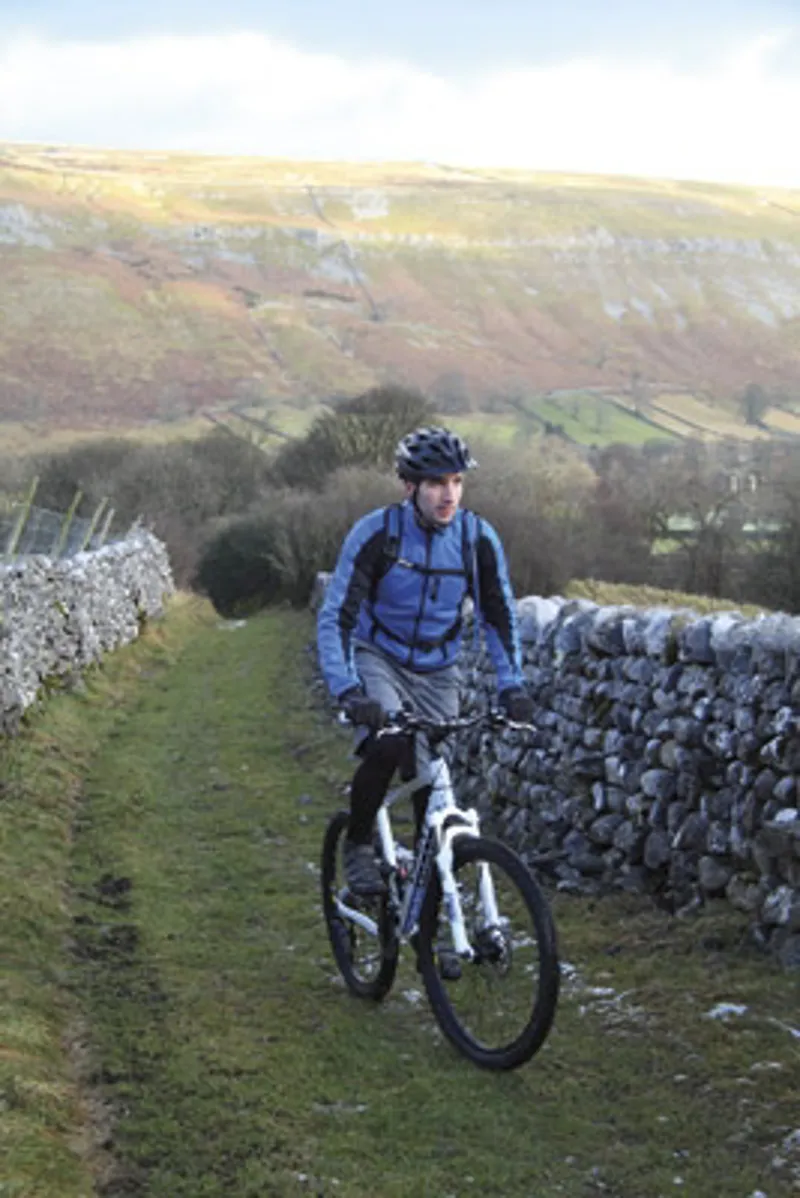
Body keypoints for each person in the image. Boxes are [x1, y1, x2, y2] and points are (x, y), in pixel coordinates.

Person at [317, 425, 533, 897]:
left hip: (438, 667)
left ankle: (428, 893)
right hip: (379, 655)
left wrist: (511, 684)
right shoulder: (377, 533)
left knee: (429, 774)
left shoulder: (478, 539)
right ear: (410, 487)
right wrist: (348, 690)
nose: (448, 494)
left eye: (456, 481)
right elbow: (337, 615)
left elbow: (498, 617)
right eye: (436, 483)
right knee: (390, 742)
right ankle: (357, 841)